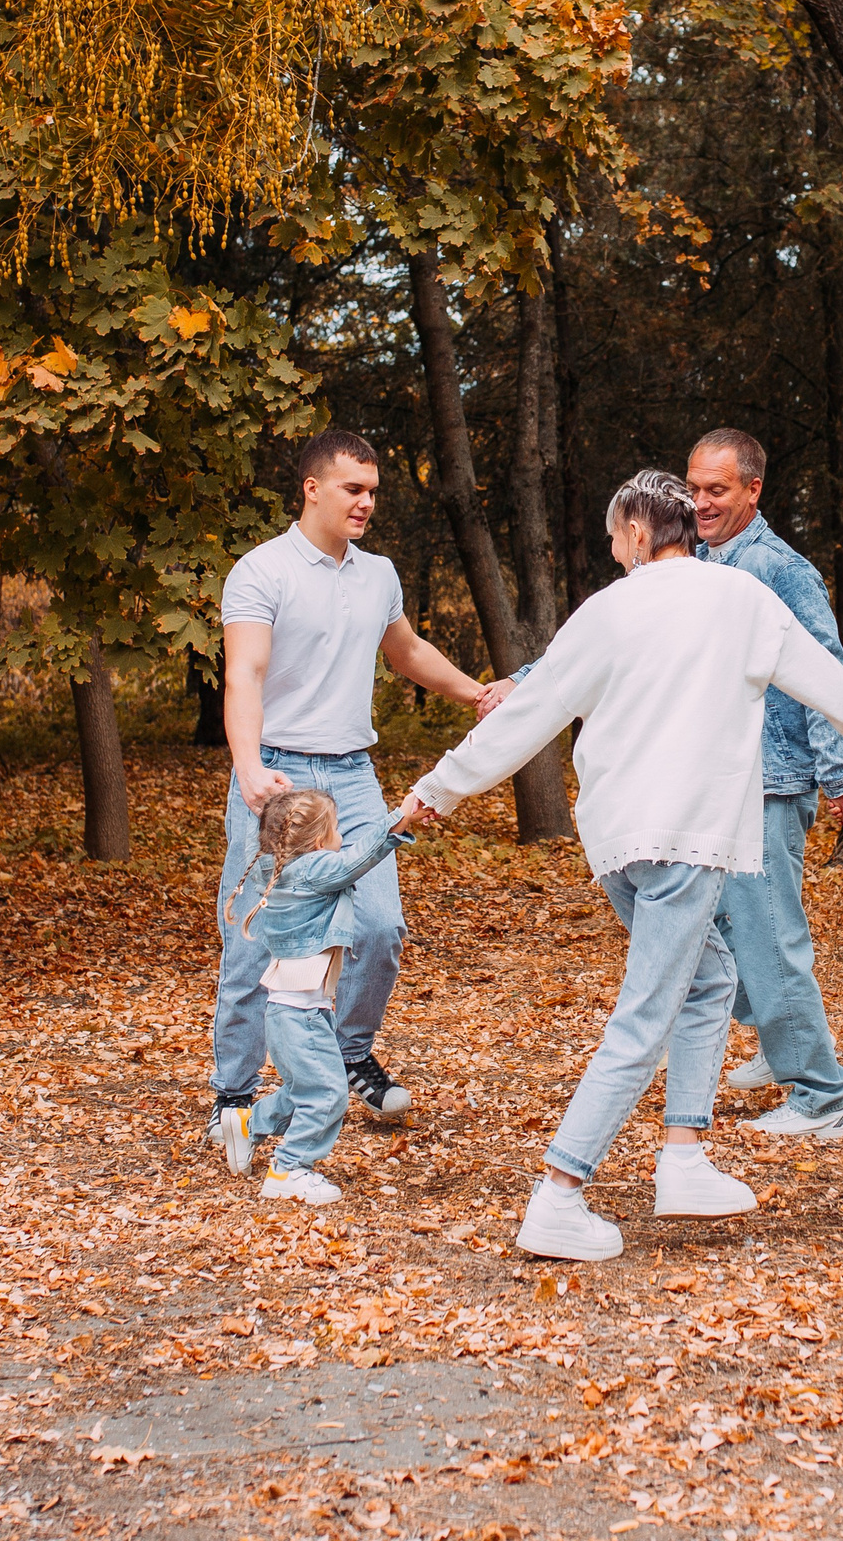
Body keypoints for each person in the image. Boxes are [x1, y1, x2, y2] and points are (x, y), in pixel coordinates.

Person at [404, 469, 843, 1261]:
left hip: (618, 843)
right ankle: (559, 1192)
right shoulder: (743, 604)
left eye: (615, 540)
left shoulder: (606, 611)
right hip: (685, 839)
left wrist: (440, 789)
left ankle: (684, 1157)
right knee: (645, 1013)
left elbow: (533, 711)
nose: (614, 554)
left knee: (711, 977)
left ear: (641, 535)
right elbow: (838, 694)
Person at [207, 429, 508, 1158]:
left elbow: (404, 651)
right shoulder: (261, 571)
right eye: (354, 489)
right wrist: (248, 766)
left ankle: (344, 1058)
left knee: (377, 930)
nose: (367, 502)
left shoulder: (377, 575)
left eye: (373, 491)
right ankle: (234, 1094)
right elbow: (243, 674)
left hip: (353, 776)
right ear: (312, 488)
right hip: (278, 774)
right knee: (255, 938)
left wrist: (475, 693)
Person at [686, 428, 843, 1140]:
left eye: (717, 490)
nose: (701, 502)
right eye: (694, 488)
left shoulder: (776, 567)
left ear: (752, 490)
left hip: (771, 778)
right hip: (716, 779)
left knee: (767, 937)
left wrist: (838, 770)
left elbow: (824, 668)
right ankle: (777, 1038)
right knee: (708, 927)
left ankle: (822, 1097)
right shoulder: (703, 561)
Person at [215, 790, 417, 1205]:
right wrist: (400, 819)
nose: (341, 834)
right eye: (335, 827)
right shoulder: (312, 870)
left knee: (302, 1089)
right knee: (328, 1094)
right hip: (300, 1014)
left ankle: (247, 1123)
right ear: (319, 839)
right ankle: (290, 1169)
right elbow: (358, 859)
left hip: (295, 1010)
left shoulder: (276, 868)